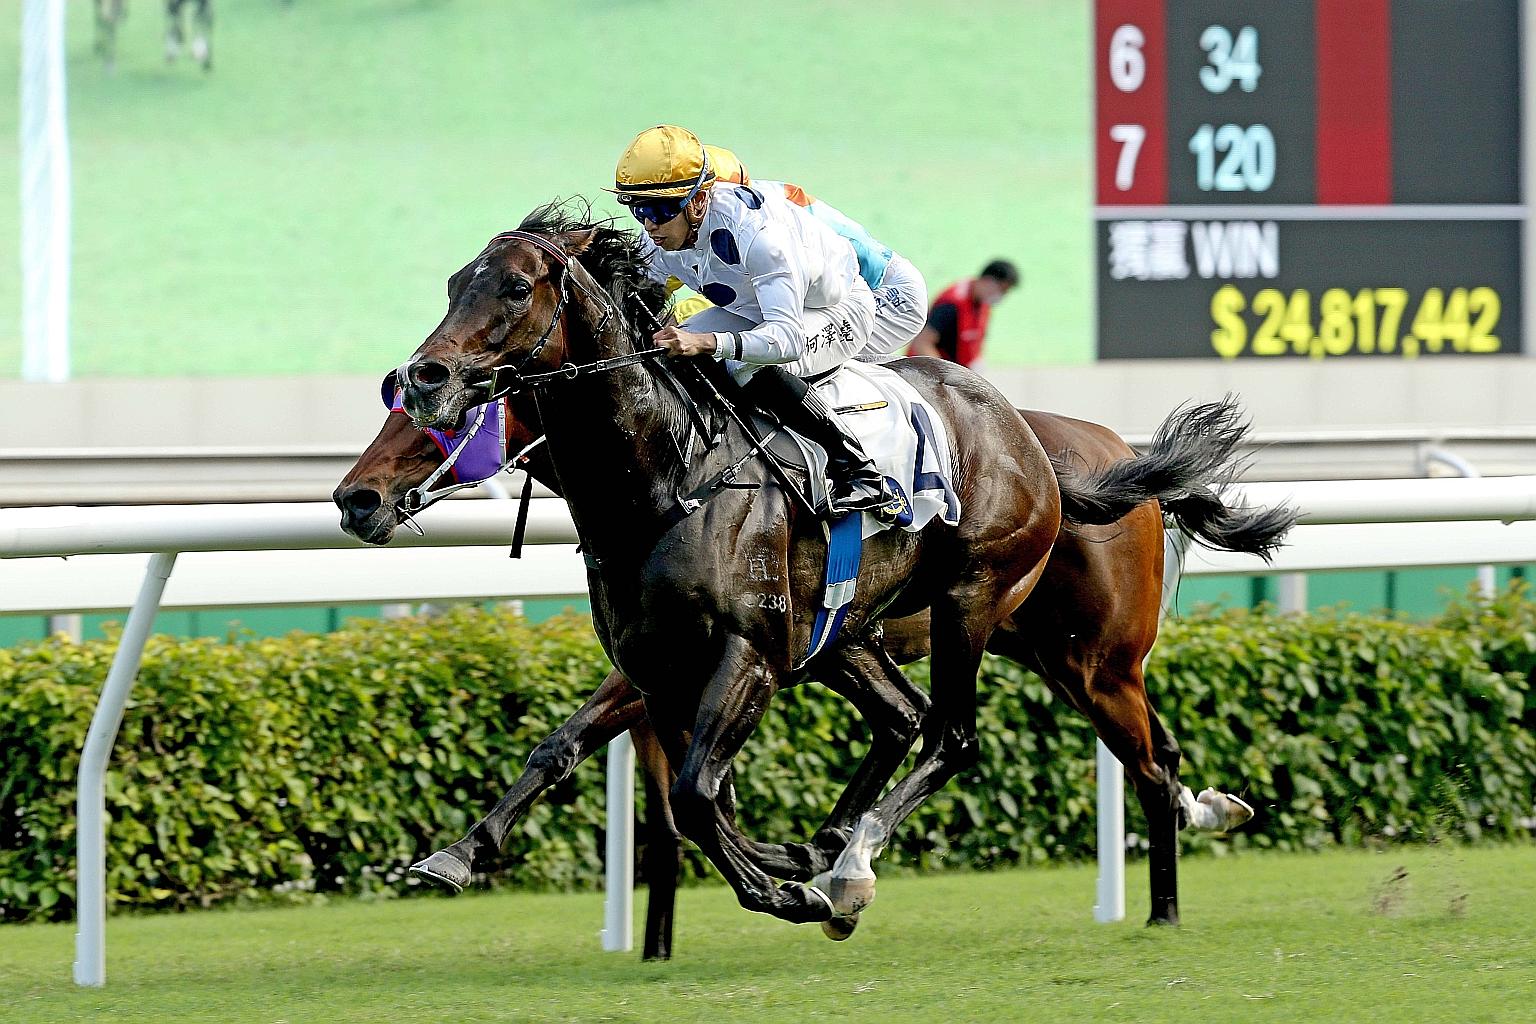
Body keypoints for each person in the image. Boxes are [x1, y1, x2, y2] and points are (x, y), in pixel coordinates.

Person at [610, 125, 892, 516]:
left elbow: (785, 340)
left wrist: (708, 342)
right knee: (659, 353)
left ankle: (859, 471)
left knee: (740, 359)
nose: (648, 224)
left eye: (658, 210)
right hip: (752, 312)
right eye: (636, 208)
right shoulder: (660, 236)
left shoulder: (761, 238)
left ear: (698, 202)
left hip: (833, 311)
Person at [908, 260, 1020, 368]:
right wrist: (945, 374)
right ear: (988, 281)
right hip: (926, 373)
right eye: (1002, 290)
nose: (1001, 296)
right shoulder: (952, 305)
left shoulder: (982, 304)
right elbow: (922, 343)